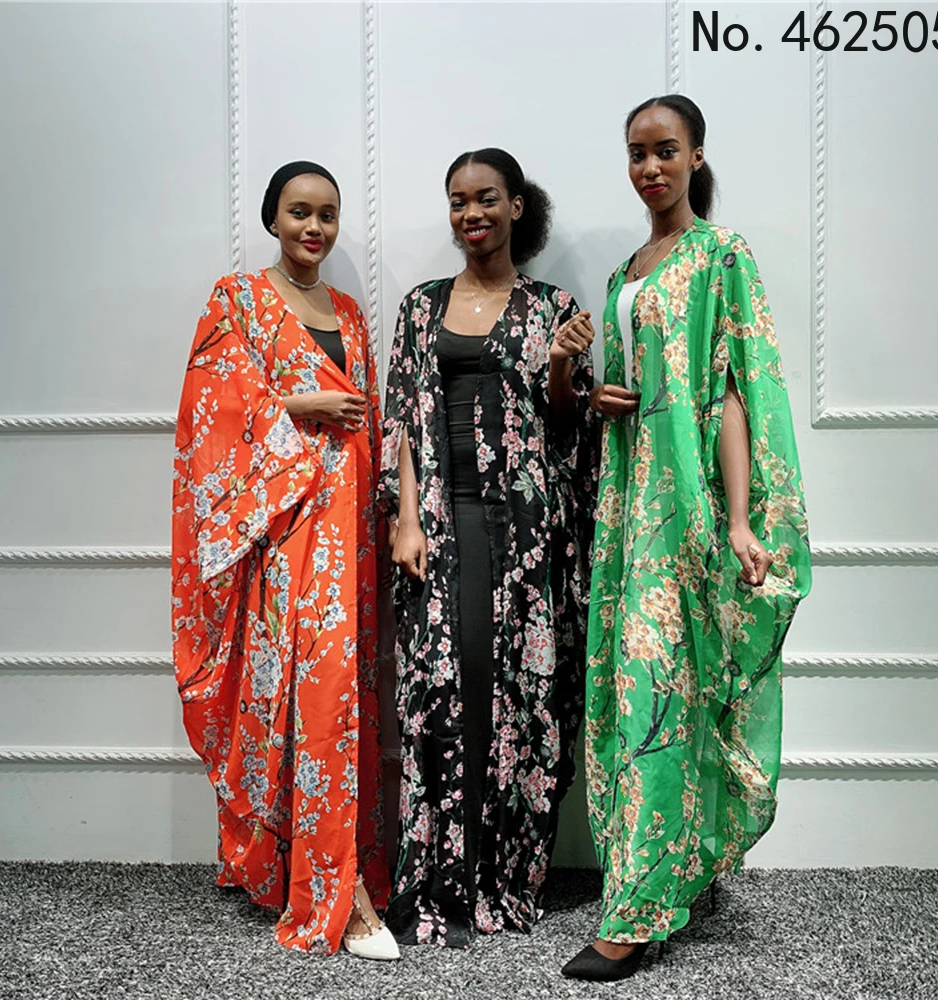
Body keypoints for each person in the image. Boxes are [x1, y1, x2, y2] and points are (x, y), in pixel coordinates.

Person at [562, 97, 812, 981]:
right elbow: (635, 383)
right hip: (627, 506)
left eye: (665, 150)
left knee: (660, 691)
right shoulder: (625, 271)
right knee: (631, 691)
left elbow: (736, 389)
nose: (650, 168)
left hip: (688, 511)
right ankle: (658, 879)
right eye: (637, 153)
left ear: (696, 155)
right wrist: (600, 395)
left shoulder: (720, 255)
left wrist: (739, 519)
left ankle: (636, 916)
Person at [172, 161, 397, 960]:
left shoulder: (349, 313)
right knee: (303, 698)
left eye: (327, 215)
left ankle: (332, 867)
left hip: (351, 531)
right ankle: (337, 893)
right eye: (300, 212)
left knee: (341, 699)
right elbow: (209, 412)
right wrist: (305, 405)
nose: (314, 228)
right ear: (273, 218)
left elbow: (372, 419)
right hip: (283, 535)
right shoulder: (237, 299)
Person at [380, 148, 599, 946]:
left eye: (485, 199)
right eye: (458, 201)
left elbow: (568, 430)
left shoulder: (552, 307)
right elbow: (402, 419)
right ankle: (442, 874)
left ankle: (503, 875)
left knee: (514, 693)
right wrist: (406, 519)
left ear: (516, 206)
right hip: (442, 522)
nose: (470, 214)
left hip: (525, 532)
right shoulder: (420, 307)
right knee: (444, 691)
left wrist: (565, 365)